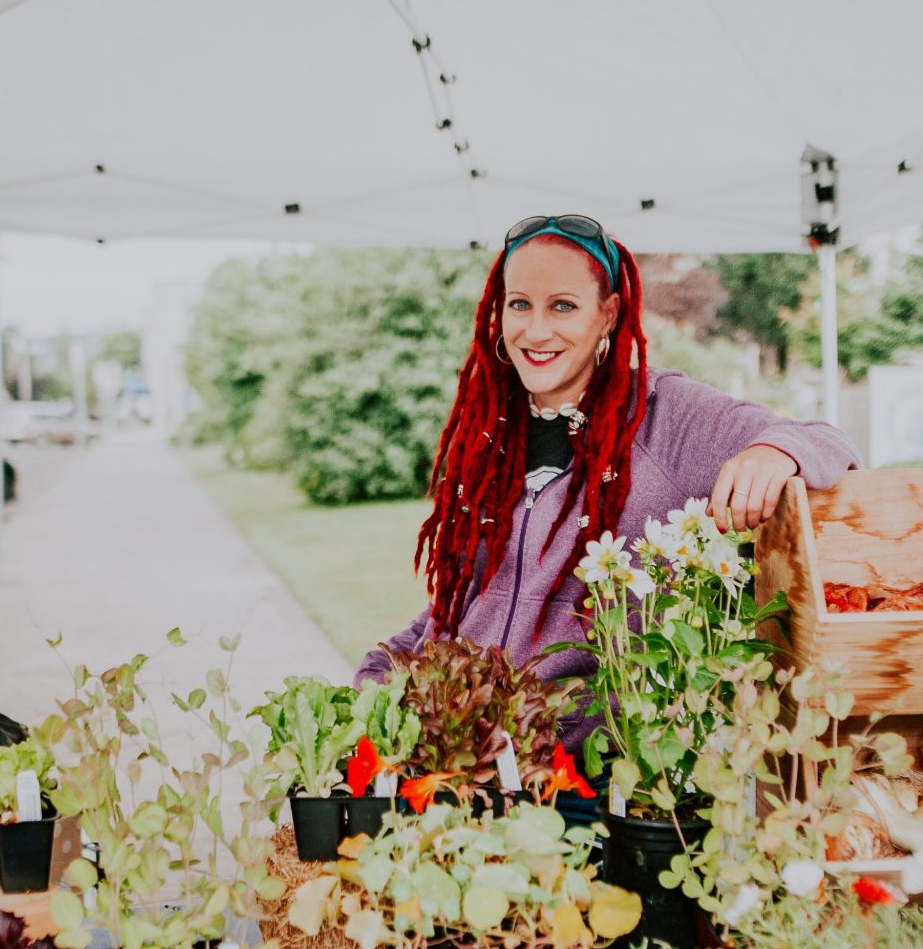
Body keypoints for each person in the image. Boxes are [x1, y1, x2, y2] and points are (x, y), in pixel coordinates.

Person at [355, 213, 860, 713]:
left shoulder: (665, 415)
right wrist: (384, 671)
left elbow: (827, 440)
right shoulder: (490, 430)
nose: (535, 330)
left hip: (594, 774)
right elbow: (469, 601)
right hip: (472, 754)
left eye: (563, 306)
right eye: (520, 305)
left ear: (608, 313)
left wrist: (772, 453)